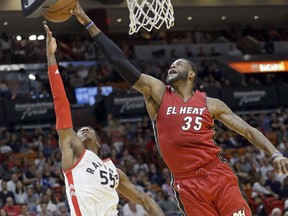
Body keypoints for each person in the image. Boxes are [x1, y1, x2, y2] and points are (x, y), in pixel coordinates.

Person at [70, 3, 288, 215]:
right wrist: (88, 23)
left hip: (217, 173)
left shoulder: (211, 104)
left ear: (191, 74)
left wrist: (275, 153)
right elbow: (120, 62)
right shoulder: (158, 93)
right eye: (171, 64)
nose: (172, 66)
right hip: (187, 184)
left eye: (179, 64)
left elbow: (248, 131)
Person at [44, 25, 164, 216]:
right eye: (80, 130)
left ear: (99, 143)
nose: (82, 130)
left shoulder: (113, 170)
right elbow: (61, 102)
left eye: (87, 129)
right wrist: (51, 57)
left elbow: (144, 199)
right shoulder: (74, 150)